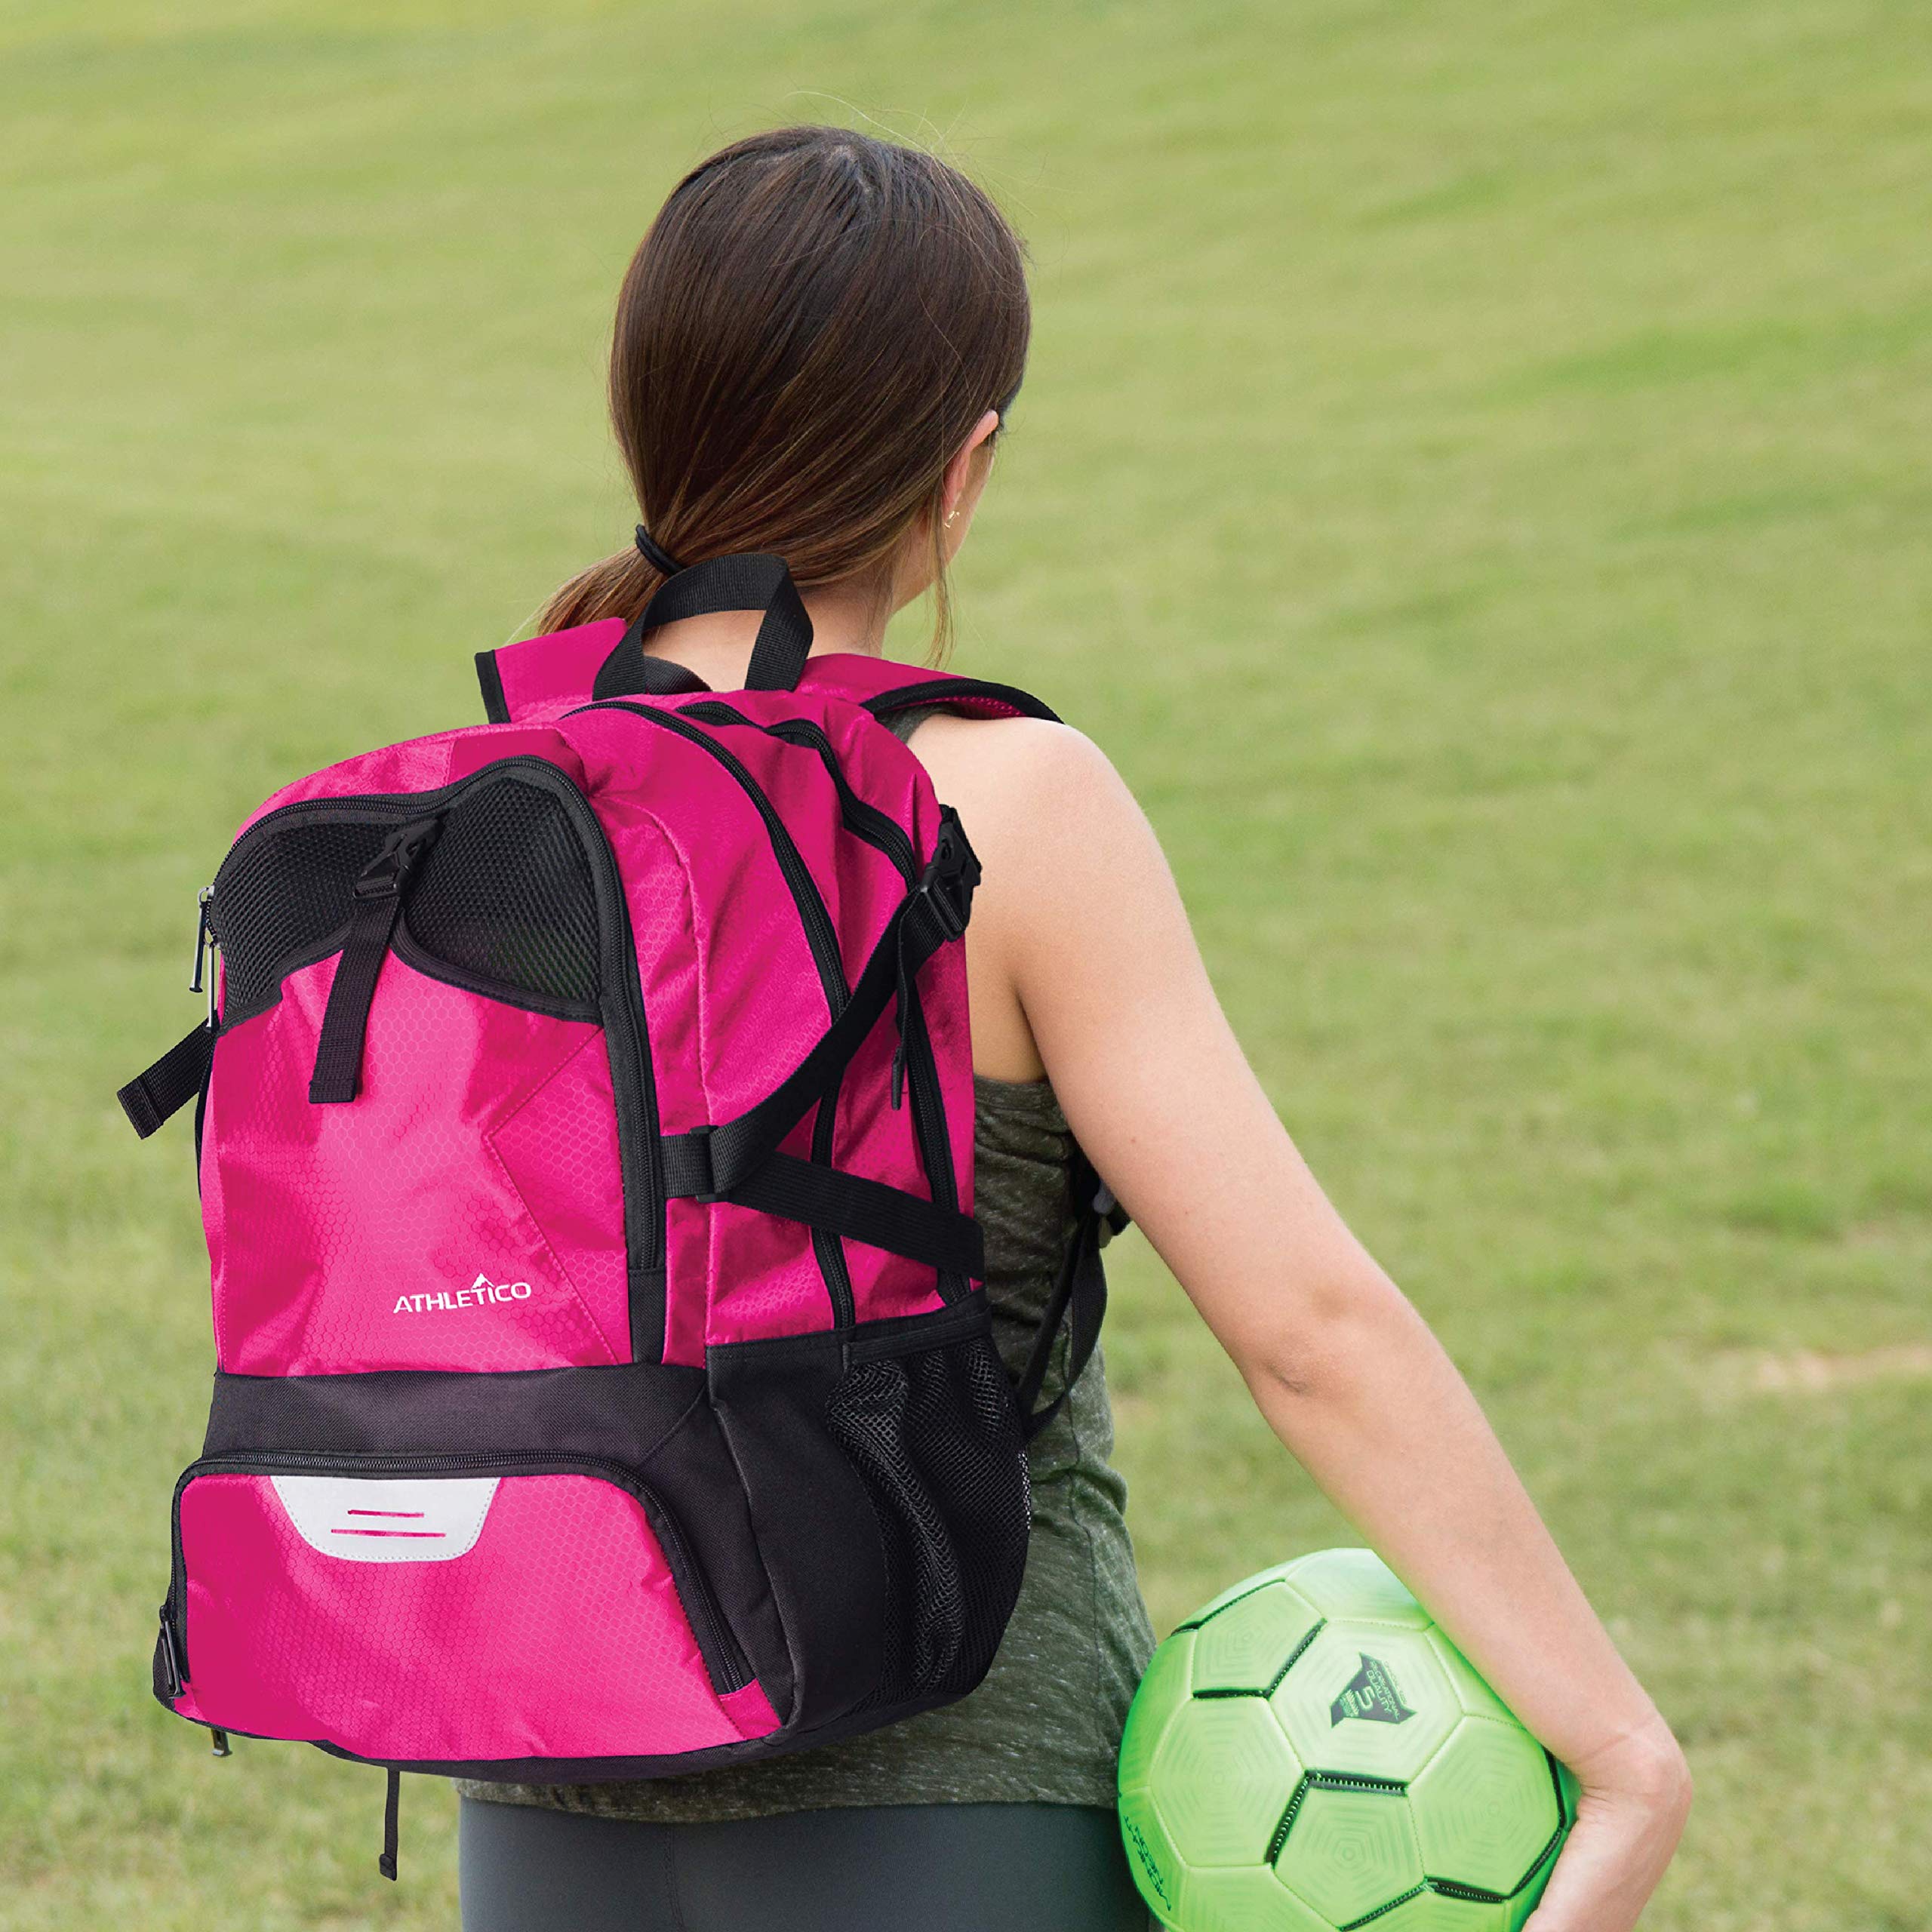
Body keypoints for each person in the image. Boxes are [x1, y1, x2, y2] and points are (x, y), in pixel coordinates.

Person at [455, 125, 1690, 1932]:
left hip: (543, 1797)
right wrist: (1621, 1745)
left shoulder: (497, 799)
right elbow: (1304, 1330)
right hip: (952, 1799)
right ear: (963, 471)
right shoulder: (1008, 806)